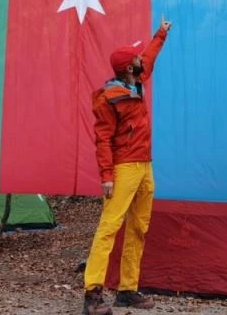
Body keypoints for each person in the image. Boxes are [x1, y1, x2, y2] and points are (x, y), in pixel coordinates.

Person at [82, 17, 172, 315]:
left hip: (145, 166)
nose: (139, 58)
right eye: (135, 57)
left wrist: (161, 34)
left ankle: (127, 290)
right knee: (109, 227)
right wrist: (106, 176)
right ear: (128, 69)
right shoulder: (109, 99)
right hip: (123, 168)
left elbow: (149, 56)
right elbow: (103, 139)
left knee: (138, 227)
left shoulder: (136, 82)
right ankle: (92, 294)